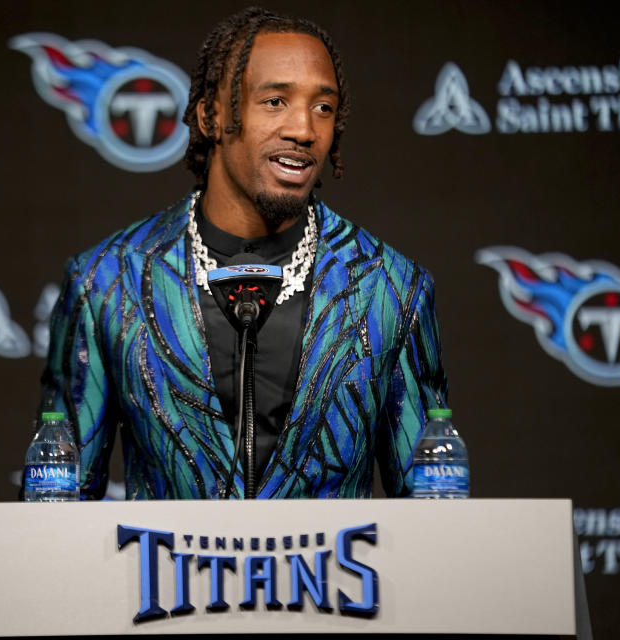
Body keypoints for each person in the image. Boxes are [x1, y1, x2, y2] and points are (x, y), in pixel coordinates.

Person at [39, 7, 448, 500]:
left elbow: (433, 511)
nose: (304, 128)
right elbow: (56, 507)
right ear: (211, 114)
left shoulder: (389, 287)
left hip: (330, 577)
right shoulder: (107, 281)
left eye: (323, 107)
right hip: (165, 576)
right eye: (275, 101)